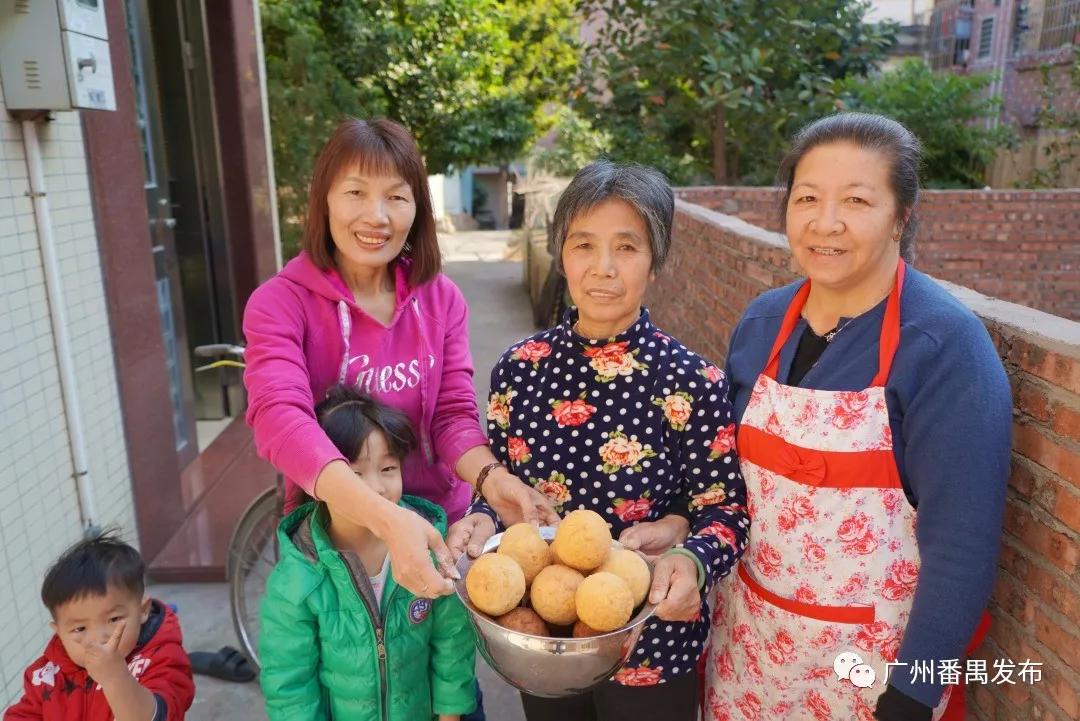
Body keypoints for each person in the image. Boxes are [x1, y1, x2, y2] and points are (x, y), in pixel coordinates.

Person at [707, 113, 1011, 721]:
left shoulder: (944, 346)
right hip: (747, 652)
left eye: (857, 200)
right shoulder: (762, 324)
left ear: (901, 217)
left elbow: (962, 543)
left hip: (870, 678)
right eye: (808, 199)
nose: (826, 223)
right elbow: (723, 482)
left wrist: (914, 693)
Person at [449, 160, 750, 721]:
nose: (603, 268)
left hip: (653, 642)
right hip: (544, 635)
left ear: (655, 261)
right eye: (584, 245)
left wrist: (690, 556)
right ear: (561, 254)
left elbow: (727, 513)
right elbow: (500, 492)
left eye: (627, 247)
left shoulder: (691, 381)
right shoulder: (520, 370)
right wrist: (482, 520)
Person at [242, 117, 557, 602]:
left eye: (396, 196)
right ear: (323, 198)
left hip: (437, 529)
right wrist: (386, 520)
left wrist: (494, 480)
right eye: (355, 193)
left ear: (417, 209)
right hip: (337, 540)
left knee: (445, 672)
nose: (377, 216)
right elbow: (280, 419)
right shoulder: (280, 304)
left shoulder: (442, 300)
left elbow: (452, 416)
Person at [259, 385, 476, 720]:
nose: (376, 488)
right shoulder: (298, 578)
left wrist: (449, 714)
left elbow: (452, 642)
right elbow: (289, 686)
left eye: (388, 469)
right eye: (354, 473)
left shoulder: (431, 547)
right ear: (321, 480)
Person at [4, 533, 195, 721]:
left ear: (143, 610)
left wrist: (115, 677)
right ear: (59, 632)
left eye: (114, 619)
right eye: (79, 629)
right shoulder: (47, 675)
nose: (98, 639)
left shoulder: (162, 657)